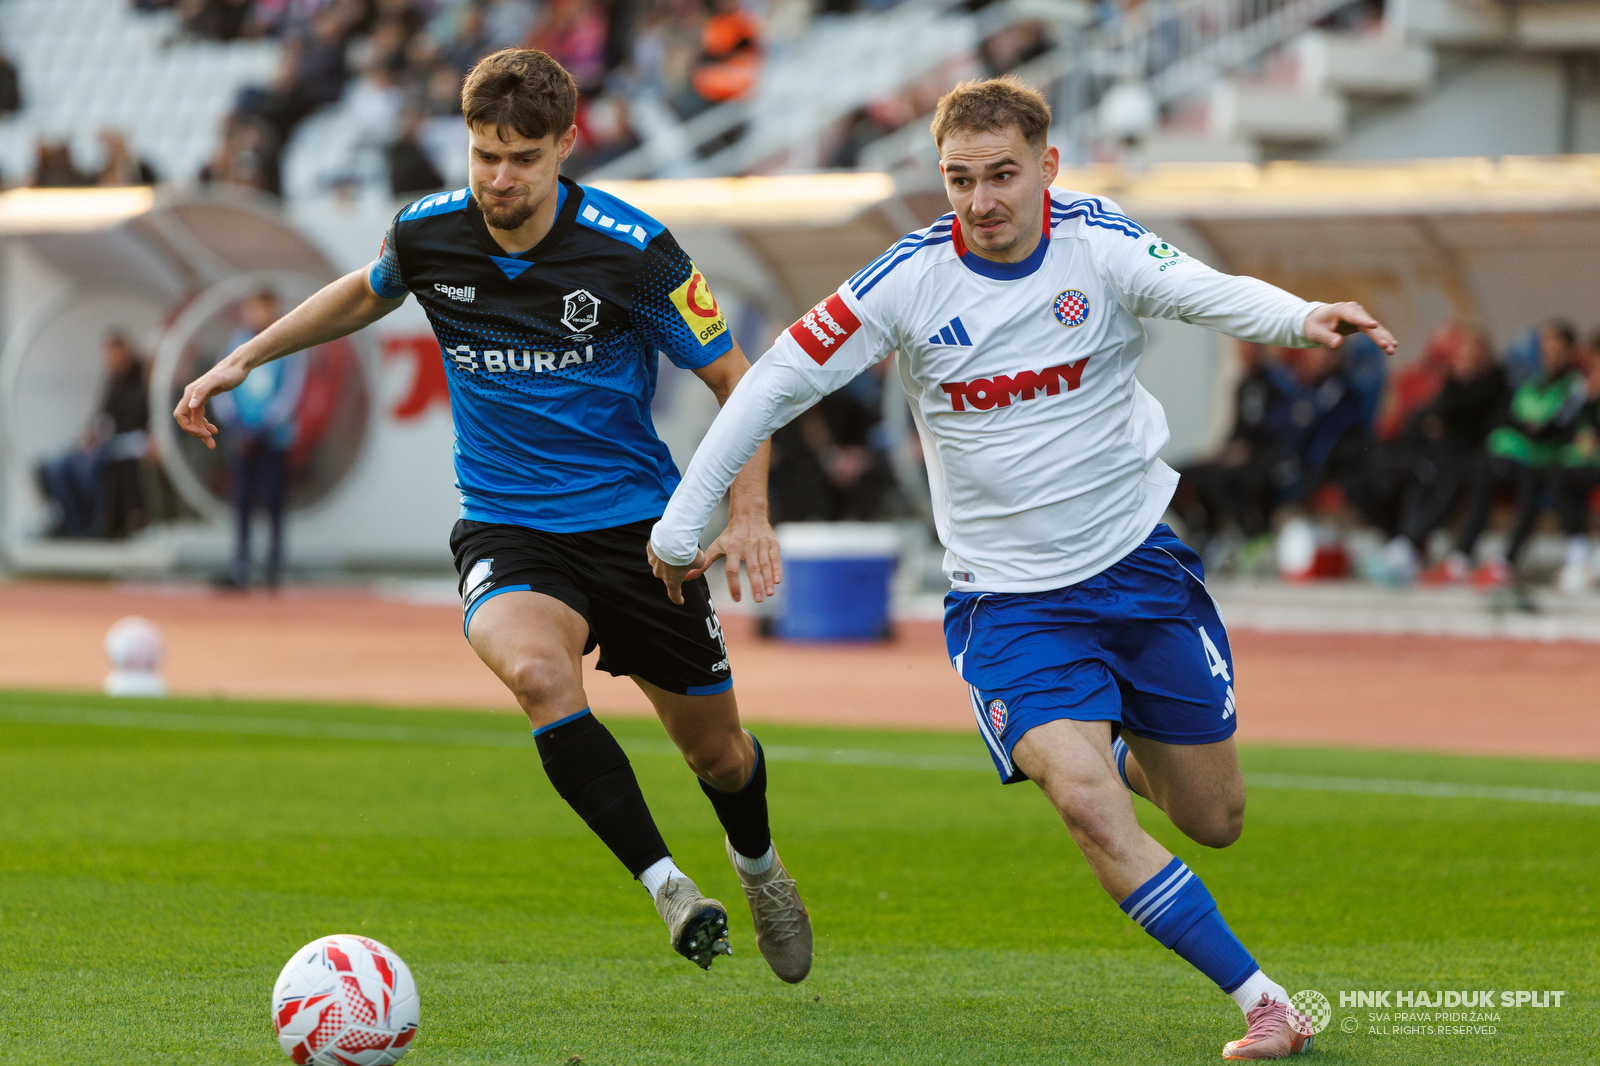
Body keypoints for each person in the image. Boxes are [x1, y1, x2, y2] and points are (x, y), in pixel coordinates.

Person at [648, 76, 1396, 1060]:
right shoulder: (906, 280)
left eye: (1001, 175)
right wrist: (682, 524)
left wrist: (1301, 318)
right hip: (1008, 605)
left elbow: (1203, 289)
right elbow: (775, 380)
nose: (981, 199)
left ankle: (1111, 745)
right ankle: (1264, 1001)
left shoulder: (1099, 243)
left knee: (1214, 817)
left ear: (1047, 165)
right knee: (1084, 804)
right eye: (959, 179)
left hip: (1138, 569)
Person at [174, 48, 812, 982]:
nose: (499, 178)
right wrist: (246, 357)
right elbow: (365, 290)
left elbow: (739, 382)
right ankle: (670, 887)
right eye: (483, 155)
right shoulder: (429, 234)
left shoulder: (635, 252)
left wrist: (748, 512)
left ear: (566, 146)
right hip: (507, 525)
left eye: (522, 158)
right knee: (538, 674)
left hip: (635, 531)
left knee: (717, 754)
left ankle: (758, 868)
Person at [1431, 320, 1586, 589]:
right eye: (1545, 347)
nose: (1549, 353)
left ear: (1570, 350)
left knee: (1531, 484)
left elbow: (1550, 429)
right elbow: (1506, 417)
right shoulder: (1533, 382)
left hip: (1546, 460)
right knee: (1479, 473)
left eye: (1555, 347)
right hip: (1514, 458)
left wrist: (1526, 426)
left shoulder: (1575, 387)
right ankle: (1461, 558)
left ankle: (1506, 562)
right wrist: (1527, 426)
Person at [210, 290, 304, 588]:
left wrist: (261, 428)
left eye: (266, 308)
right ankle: (241, 564)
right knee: (242, 503)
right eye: (255, 308)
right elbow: (220, 387)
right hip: (242, 440)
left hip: (272, 440)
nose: (260, 314)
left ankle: (273, 566)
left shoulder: (288, 344)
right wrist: (237, 427)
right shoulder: (234, 344)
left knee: (274, 501)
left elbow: (290, 393)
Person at [39, 332, 150, 538]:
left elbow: (136, 418)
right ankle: (72, 522)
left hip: (125, 444)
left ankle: (99, 524)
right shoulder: (113, 381)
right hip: (104, 442)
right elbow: (101, 415)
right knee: (58, 467)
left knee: (96, 466)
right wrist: (90, 435)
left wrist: (104, 435)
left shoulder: (141, 379)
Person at [1553, 353, 1600, 592]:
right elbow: (1558, 425)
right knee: (1561, 477)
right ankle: (1578, 553)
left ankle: (1595, 565)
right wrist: (1581, 399)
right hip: (1584, 465)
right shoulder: (1581, 402)